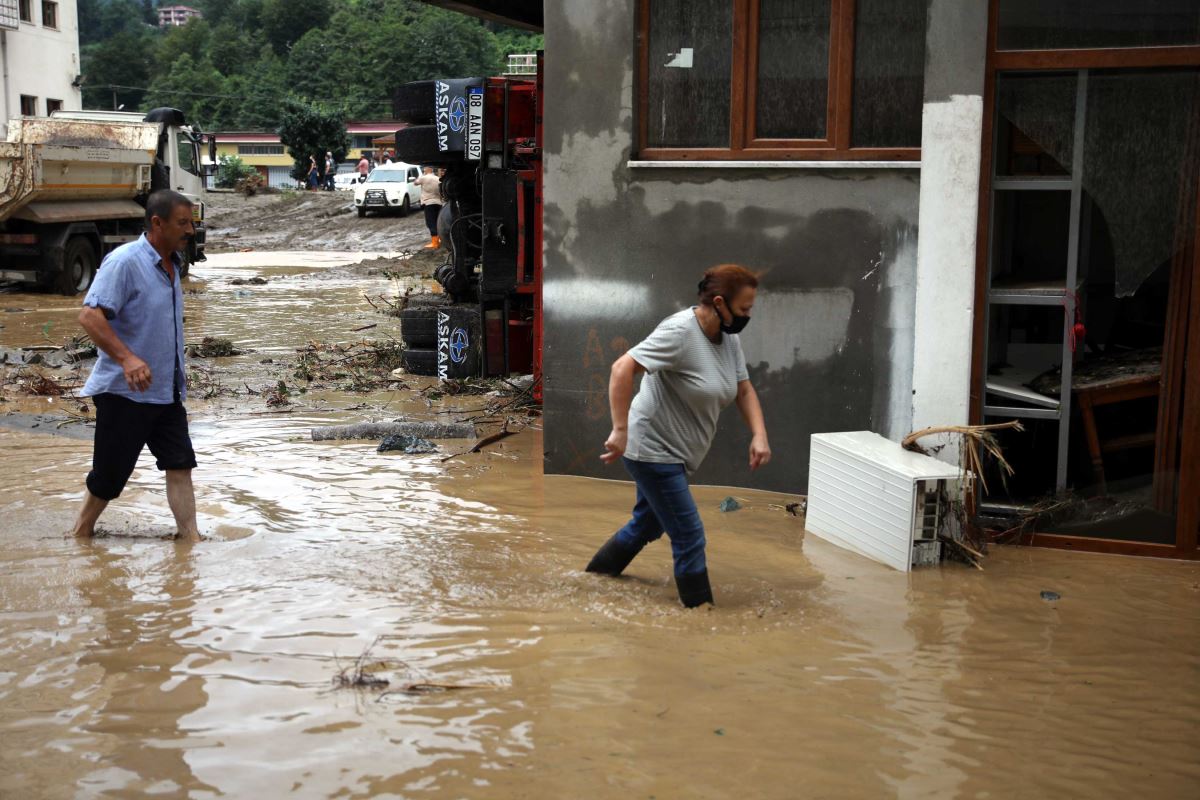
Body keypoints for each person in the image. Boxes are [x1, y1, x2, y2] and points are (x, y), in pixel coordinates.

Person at [586, 264, 771, 607]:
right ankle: (701, 617)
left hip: (678, 453)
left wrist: (759, 435)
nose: (748, 315)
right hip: (653, 450)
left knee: (647, 525)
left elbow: (744, 389)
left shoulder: (729, 338)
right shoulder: (679, 332)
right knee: (689, 535)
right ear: (719, 302)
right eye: (744, 308)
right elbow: (621, 368)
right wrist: (620, 429)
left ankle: (593, 582)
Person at [72, 190, 201, 542]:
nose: (190, 230)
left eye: (191, 222)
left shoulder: (172, 264)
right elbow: (89, 315)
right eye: (182, 223)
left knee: (180, 464)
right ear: (157, 223)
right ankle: (81, 533)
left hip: (166, 391)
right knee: (110, 478)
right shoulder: (124, 262)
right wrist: (127, 359)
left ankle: (191, 540)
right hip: (124, 393)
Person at [414, 165, 442, 249]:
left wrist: (421, 175)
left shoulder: (424, 178)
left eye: (424, 169)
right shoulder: (437, 179)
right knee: (437, 221)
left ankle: (435, 243)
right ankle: (439, 239)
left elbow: (415, 183)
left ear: (426, 170)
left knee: (431, 223)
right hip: (438, 202)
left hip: (428, 203)